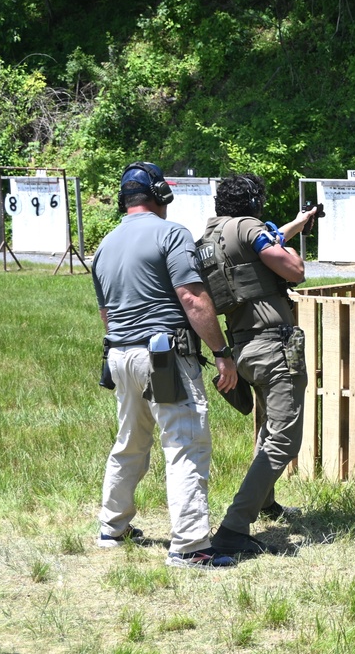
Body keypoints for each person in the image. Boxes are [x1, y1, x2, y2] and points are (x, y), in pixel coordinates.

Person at [92, 161, 240, 570]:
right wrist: (222, 352)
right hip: (163, 357)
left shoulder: (104, 245)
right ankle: (191, 546)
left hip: (120, 354)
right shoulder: (171, 233)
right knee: (185, 442)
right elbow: (191, 298)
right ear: (160, 194)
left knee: (130, 440)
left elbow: (107, 315)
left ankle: (112, 527)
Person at [200, 173, 320, 557]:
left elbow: (254, 255)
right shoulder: (250, 227)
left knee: (269, 426)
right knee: (284, 438)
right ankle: (235, 526)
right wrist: (286, 246)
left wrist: (293, 226)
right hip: (273, 347)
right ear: (252, 204)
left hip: (243, 347)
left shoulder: (212, 236)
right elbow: (293, 270)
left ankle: (265, 502)